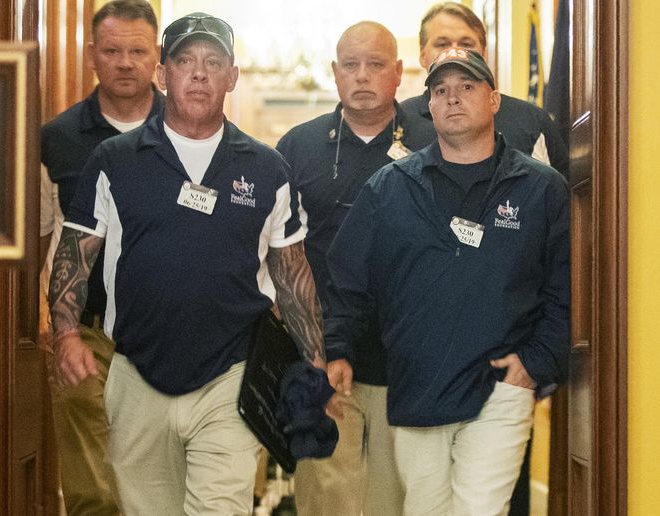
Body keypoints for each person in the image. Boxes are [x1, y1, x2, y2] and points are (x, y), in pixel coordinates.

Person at [48, 12, 337, 515]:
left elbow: (292, 273)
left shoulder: (267, 169)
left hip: (231, 374)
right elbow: (76, 252)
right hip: (136, 370)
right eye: (185, 61)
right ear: (164, 74)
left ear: (232, 76)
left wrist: (314, 360)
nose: (199, 73)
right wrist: (66, 332)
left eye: (213, 62)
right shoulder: (114, 160)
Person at [325, 48, 570, 515]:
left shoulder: (541, 188)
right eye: (441, 91)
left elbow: (565, 286)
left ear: (494, 100)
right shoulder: (389, 187)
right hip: (417, 386)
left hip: (500, 387)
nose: (453, 98)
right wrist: (338, 349)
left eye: (467, 87)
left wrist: (536, 363)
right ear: (429, 107)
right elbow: (347, 280)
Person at [276, 21, 434, 516]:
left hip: (408, 365)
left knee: (395, 502)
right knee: (326, 501)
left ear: (400, 73)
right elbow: (275, 250)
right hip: (321, 362)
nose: (362, 75)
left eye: (376, 64)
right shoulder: (296, 148)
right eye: (351, 64)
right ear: (334, 73)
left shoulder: (436, 144)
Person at [39, 1, 164, 513]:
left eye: (138, 51)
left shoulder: (193, 131)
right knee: (95, 493)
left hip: (170, 336)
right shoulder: (57, 139)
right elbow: (37, 239)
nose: (126, 63)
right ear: (92, 55)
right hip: (86, 334)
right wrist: (52, 326)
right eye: (113, 51)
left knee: (163, 486)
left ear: (158, 57)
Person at [400, 2, 569, 179]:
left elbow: (564, 194)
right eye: (442, 44)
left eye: (466, 43)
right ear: (422, 55)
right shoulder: (400, 121)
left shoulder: (531, 121)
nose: (455, 51)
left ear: (484, 53)